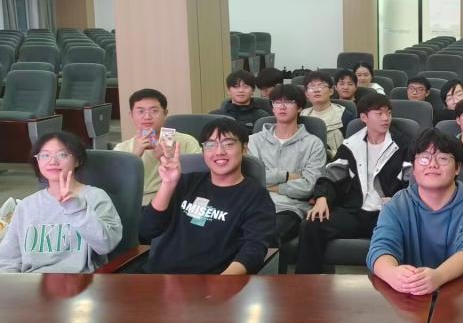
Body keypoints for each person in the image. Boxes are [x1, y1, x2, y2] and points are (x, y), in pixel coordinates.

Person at [140, 117, 276, 274]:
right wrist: (168, 184)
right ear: (203, 151)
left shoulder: (256, 196)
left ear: (244, 148)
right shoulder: (186, 182)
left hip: (214, 281)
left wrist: (222, 282)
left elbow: (254, 249)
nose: (219, 152)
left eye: (228, 144)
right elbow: (147, 230)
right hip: (160, 277)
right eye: (210, 145)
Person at [295, 92, 412, 274]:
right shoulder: (351, 144)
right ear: (364, 117)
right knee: (311, 225)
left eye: (388, 113)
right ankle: (308, 283)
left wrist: (398, 200)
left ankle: (403, 282)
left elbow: (413, 182)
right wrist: (322, 198)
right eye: (379, 113)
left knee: (408, 230)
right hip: (354, 211)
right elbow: (333, 175)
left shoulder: (404, 145)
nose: (386, 118)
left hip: (386, 213)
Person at [367, 128, 463, 294]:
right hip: (409, 295)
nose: (433, 164)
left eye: (443, 158)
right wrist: (393, 274)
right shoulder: (396, 206)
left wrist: (438, 276)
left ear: (458, 167)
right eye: (424, 158)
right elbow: (381, 248)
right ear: (413, 167)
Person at [0, 132, 122, 273]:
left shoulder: (96, 197)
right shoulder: (26, 206)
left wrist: (77, 209)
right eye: (45, 155)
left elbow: (106, 245)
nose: (52, 161)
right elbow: (7, 260)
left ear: (77, 160)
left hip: (80, 281)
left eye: (62, 155)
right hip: (32, 282)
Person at [247, 84, 327, 246]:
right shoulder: (254, 140)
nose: (282, 107)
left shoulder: (313, 144)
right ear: (272, 107)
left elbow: (308, 186)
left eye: (289, 102)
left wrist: (270, 186)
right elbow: (252, 178)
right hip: (254, 204)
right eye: (277, 102)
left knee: (265, 237)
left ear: (300, 108)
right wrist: (287, 176)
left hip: (289, 208)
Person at [113, 88, 202, 204]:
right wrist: (134, 156)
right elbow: (115, 185)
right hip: (140, 202)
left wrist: (166, 159)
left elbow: (201, 179)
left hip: (179, 199)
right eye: (140, 111)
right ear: (131, 115)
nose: (147, 117)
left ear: (165, 113)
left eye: (154, 111)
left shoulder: (186, 141)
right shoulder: (121, 149)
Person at [300, 70, 349, 158]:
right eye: (311, 87)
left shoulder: (344, 115)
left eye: (322, 86)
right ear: (306, 94)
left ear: (331, 91)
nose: (316, 90)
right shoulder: (301, 116)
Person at [216, 70, 269, 134]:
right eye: (236, 87)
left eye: (245, 87)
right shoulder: (216, 116)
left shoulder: (263, 117)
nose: (241, 90)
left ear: (253, 91)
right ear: (228, 91)